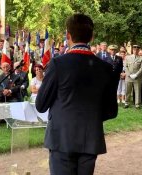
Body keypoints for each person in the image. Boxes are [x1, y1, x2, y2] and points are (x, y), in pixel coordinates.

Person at [36, 13, 118, 175]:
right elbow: (111, 111)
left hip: (62, 138)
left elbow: (41, 105)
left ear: (68, 36)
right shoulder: (105, 68)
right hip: (90, 139)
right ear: (92, 36)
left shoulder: (58, 64)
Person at [124, 45, 142, 109]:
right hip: (129, 77)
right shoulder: (127, 57)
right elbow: (126, 66)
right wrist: (129, 74)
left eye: (137, 50)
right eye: (134, 50)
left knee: (137, 91)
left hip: (137, 77)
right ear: (132, 50)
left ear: (138, 50)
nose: (135, 51)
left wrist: (136, 75)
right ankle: (126, 102)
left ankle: (137, 104)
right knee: (128, 90)